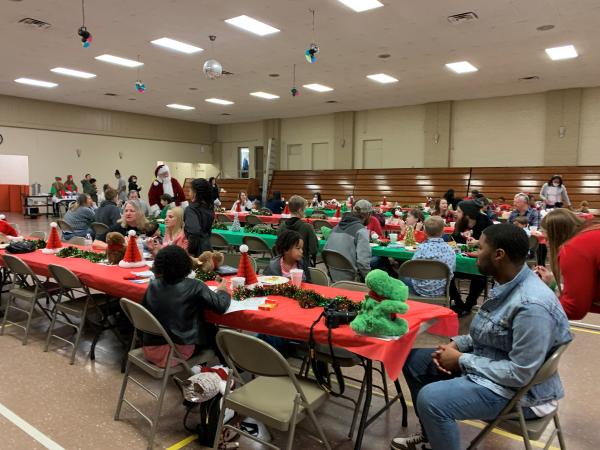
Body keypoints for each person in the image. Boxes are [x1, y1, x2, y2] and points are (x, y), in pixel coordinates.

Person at [391, 224, 572, 450]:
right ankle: (432, 434)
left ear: (499, 255)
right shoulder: (508, 283)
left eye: (480, 247)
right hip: (498, 368)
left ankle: (436, 426)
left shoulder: (531, 306)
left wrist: (461, 360)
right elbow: (492, 333)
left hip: (524, 395)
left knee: (431, 399)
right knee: (415, 361)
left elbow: (521, 374)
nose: (474, 252)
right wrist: (458, 343)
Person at [142, 245, 230, 368]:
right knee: (211, 329)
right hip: (174, 353)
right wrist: (223, 291)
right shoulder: (195, 286)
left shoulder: (152, 285)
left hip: (149, 348)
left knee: (206, 326)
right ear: (186, 264)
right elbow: (221, 306)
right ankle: (229, 365)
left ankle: (221, 366)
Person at [535, 209, 600, 319]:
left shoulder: (574, 247)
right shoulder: (592, 230)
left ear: (557, 235)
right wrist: (554, 285)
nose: (546, 243)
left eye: (547, 238)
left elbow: (574, 309)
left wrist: (535, 306)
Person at [450, 199, 494, 315]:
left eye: (459, 211)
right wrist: (462, 236)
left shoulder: (486, 222)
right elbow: (454, 240)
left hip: (480, 260)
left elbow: (493, 243)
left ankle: (468, 305)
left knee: (480, 276)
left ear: (467, 214)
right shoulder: (460, 222)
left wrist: (478, 242)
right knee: (446, 273)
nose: (456, 213)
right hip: (461, 258)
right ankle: (459, 303)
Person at [402, 216, 456, 298]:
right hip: (441, 290)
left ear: (424, 231)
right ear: (443, 231)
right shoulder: (450, 250)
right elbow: (452, 271)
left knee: (402, 274)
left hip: (419, 289)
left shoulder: (422, 248)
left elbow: (411, 269)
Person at [323, 199, 372, 282]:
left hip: (333, 277)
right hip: (352, 279)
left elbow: (325, 251)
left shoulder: (335, 228)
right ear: (368, 214)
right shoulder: (361, 231)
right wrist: (369, 282)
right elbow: (363, 264)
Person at [277, 195, 318, 276]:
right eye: (304, 209)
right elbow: (314, 249)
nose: (305, 212)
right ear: (300, 210)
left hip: (282, 267)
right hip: (302, 267)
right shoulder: (307, 227)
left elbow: (278, 246)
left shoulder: (282, 226)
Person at [184, 178, 214, 257]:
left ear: (195, 193)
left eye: (190, 190)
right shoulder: (209, 207)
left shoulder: (191, 209)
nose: (188, 193)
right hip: (207, 247)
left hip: (197, 251)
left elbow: (194, 232)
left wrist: (190, 252)